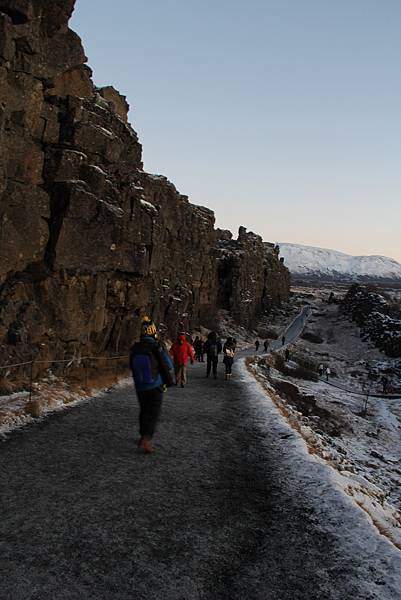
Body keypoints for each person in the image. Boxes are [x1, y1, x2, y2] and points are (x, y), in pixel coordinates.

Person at [129, 316, 174, 454]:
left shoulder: (135, 348)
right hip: (155, 385)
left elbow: (131, 364)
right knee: (153, 413)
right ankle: (146, 440)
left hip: (139, 386)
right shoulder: (157, 347)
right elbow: (169, 365)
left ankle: (143, 435)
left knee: (143, 410)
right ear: (154, 332)